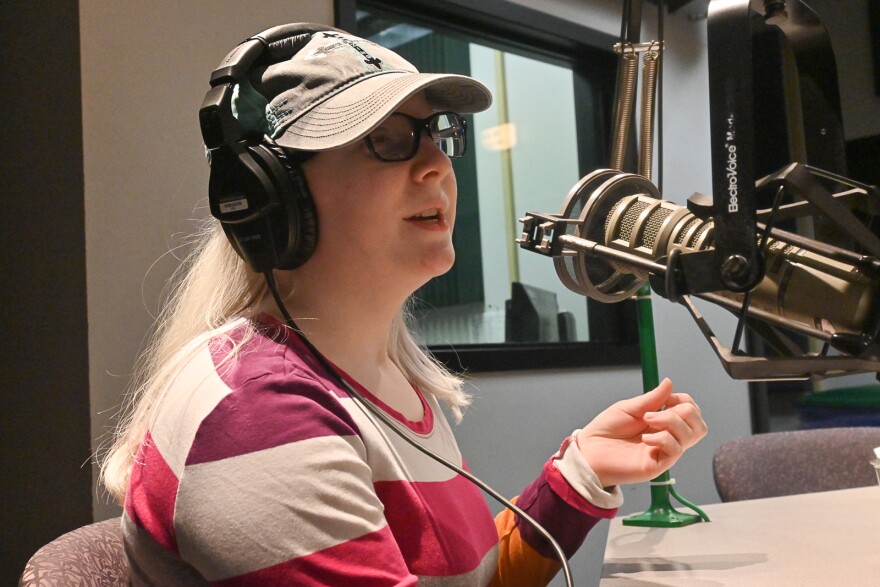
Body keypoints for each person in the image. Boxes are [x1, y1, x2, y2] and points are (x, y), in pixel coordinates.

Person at [100, 23, 708, 586]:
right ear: (273, 192)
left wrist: (580, 473)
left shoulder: (386, 383)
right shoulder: (258, 415)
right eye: (385, 139)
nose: (437, 165)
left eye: (437, 135)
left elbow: (470, 579)